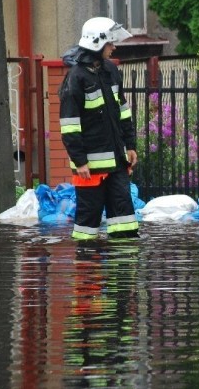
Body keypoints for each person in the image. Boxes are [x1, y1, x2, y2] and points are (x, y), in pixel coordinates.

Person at [59, 17, 139, 241]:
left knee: (125, 220)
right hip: (89, 167)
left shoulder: (111, 71)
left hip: (117, 163)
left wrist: (130, 145)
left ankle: (123, 272)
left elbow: (123, 111)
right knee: (87, 224)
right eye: (110, 43)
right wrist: (80, 160)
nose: (114, 47)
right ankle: (87, 270)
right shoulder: (76, 78)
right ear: (97, 43)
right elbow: (69, 124)